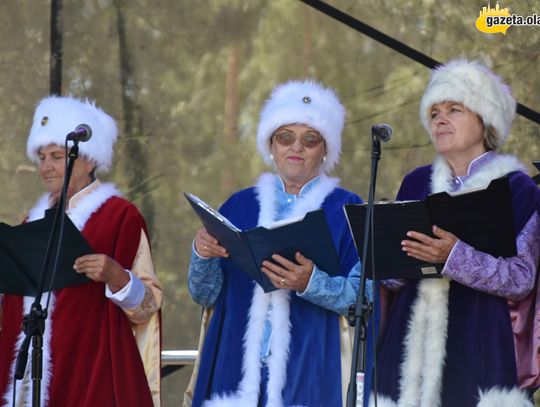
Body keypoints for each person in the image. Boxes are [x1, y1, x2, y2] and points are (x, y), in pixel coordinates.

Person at [186, 80, 373, 406]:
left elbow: (366, 298)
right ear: (271, 145)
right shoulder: (239, 205)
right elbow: (204, 294)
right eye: (285, 137)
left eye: (310, 139)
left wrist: (312, 283)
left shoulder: (349, 209)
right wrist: (202, 255)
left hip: (311, 369)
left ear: (325, 148)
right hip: (236, 371)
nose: (296, 147)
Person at [373, 59, 540, 407]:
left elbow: (521, 278)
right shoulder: (415, 182)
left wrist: (452, 256)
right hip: (407, 347)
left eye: (454, 109)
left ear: (485, 119)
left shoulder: (518, 188)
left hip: (478, 340)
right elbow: (391, 280)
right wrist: (389, 258)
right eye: (434, 113)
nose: (440, 119)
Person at [0, 96, 162, 406]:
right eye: (42, 157)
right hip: (28, 382)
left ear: (88, 159)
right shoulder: (30, 221)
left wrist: (117, 277)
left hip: (91, 374)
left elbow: (149, 305)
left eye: (57, 156)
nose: (46, 167)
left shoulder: (120, 217)